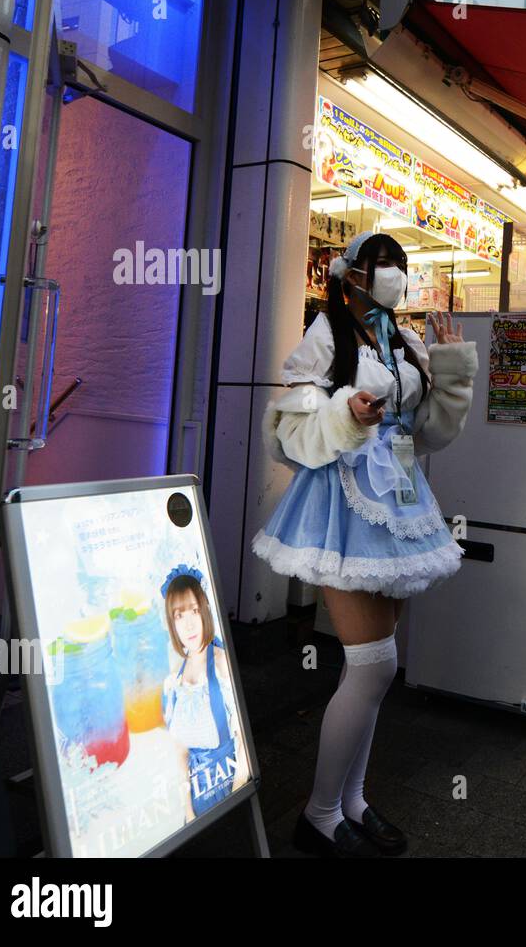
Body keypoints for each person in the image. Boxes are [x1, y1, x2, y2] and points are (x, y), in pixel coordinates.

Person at [252, 230, 477, 857]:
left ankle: (351, 801)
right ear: (349, 273)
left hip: (401, 498)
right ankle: (319, 813)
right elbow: (288, 436)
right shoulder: (325, 335)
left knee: (379, 667)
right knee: (373, 664)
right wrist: (345, 416)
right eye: (383, 265)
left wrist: (451, 372)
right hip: (342, 504)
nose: (394, 277)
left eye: (401, 266)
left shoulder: (402, 341)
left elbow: (427, 432)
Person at [161, 566, 247, 821]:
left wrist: (235, 798)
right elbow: (180, 754)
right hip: (193, 804)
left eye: (194, 611)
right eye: (178, 616)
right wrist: (188, 812)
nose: (188, 624)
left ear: (206, 610)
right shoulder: (175, 677)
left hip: (226, 791)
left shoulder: (221, 663)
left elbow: (243, 745)